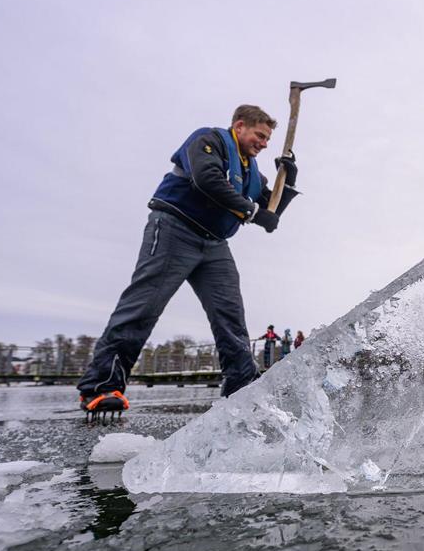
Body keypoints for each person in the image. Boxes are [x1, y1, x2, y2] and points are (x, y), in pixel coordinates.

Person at [77, 105, 300, 414]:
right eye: (260, 135)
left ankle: (242, 387)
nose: (264, 143)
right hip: (174, 229)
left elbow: (271, 212)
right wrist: (252, 212)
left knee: (230, 316)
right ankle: (102, 386)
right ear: (239, 126)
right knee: (144, 306)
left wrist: (286, 180)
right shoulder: (209, 141)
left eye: (267, 139)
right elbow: (206, 179)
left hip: (215, 244)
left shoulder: (251, 173)